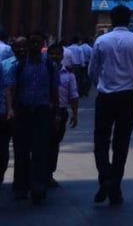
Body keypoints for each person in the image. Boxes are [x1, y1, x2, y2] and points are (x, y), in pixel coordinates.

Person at [89, 5, 133, 206]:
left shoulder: (101, 41)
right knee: (121, 143)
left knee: (101, 141)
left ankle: (105, 177)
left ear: (112, 19)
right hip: (126, 97)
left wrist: (100, 84)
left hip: (105, 97)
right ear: (129, 19)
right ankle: (115, 186)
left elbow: (92, 70)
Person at [8, 31, 58, 203]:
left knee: (40, 151)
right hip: (23, 112)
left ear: (43, 44)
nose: (35, 46)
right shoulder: (19, 66)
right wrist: (11, 109)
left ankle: (38, 186)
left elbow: (54, 90)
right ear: (28, 45)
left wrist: (56, 112)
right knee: (21, 151)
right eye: (32, 42)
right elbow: (11, 89)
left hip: (42, 112)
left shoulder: (49, 66)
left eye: (38, 42)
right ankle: (21, 187)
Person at [46, 43, 79, 188]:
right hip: (44, 111)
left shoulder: (69, 75)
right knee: (41, 143)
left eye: (57, 54)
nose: (54, 56)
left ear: (62, 56)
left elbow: (74, 95)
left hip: (61, 112)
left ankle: (49, 174)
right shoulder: (43, 72)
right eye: (51, 53)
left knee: (54, 144)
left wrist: (75, 114)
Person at [0, 36, 24, 188]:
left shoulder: (34, 65)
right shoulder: (4, 65)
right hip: (4, 112)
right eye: (17, 47)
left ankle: (21, 183)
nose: (20, 50)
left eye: (23, 46)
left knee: (22, 150)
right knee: (3, 148)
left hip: (26, 111)